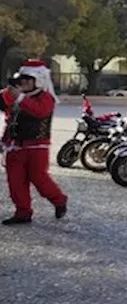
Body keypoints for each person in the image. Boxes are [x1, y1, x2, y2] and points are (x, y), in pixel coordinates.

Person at [2, 60, 68, 225]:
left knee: (39, 178)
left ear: (38, 80)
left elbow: (40, 111)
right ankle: (23, 212)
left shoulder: (46, 98)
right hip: (15, 146)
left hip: (37, 147)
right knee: (15, 182)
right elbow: (9, 117)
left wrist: (20, 97)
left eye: (27, 79)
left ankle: (59, 200)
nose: (22, 83)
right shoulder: (16, 97)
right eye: (20, 80)